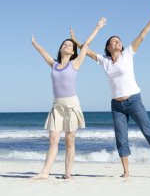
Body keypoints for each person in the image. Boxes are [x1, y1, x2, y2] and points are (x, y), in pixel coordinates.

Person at [70, 4, 150, 178]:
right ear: (109, 47)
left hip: (134, 101)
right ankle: (126, 172)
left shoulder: (128, 54)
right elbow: (87, 51)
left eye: (119, 41)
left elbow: (141, 35)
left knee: (149, 133)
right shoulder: (104, 61)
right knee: (121, 138)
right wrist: (75, 41)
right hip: (117, 105)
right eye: (114, 41)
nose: (118, 42)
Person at [31, 17, 107, 180]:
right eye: (64, 44)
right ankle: (44, 173)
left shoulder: (75, 63)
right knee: (53, 139)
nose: (66, 45)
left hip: (72, 105)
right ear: (60, 49)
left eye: (70, 45)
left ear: (73, 52)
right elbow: (43, 52)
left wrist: (97, 27)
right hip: (57, 106)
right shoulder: (54, 64)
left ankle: (67, 174)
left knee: (69, 141)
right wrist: (35, 43)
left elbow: (85, 45)